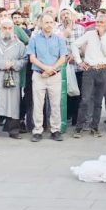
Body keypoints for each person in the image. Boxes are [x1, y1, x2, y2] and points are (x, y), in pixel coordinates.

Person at [72, 11, 106, 138]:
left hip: (103, 70)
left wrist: (101, 36)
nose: (98, 25)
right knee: (85, 99)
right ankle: (79, 127)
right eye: (97, 22)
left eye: (101, 23)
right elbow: (75, 45)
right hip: (89, 70)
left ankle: (94, 127)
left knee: (98, 101)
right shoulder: (89, 34)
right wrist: (79, 61)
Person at [26, 13, 69, 142]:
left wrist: (51, 69)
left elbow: (63, 58)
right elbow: (32, 58)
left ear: (54, 24)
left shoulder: (59, 39)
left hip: (54, 76)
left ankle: (55, 130)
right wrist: (45, 68)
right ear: (41, 24)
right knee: (38, 104)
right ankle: (37, 131)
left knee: (55, 104)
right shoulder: (34, 39)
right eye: (46, 22)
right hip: (39, 75)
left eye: (51, 22)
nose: (49, 25)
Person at [0, 18, 26, 139]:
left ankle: (13, 131)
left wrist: (12, 64)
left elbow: (24, 60)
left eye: (9, 28)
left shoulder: (19, 44)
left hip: (12, 76)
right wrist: (3, 64)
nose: (7, 30)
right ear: (0, 29)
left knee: (13, 104)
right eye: (4, 28)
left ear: (13, 29)